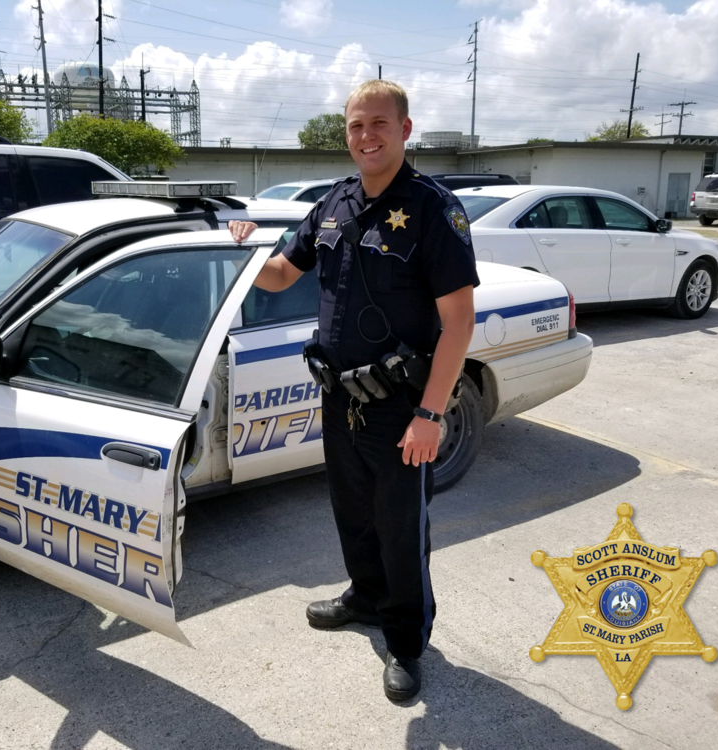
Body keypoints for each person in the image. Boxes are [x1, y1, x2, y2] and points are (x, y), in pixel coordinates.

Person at [228, 80, 479, 701]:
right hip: (339, 396)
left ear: (404, 129)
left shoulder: (431, 209)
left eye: (377, 125)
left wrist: (431, 413)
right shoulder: (333, 203)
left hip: (401, 406)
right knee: (353, 515)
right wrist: (244, 248)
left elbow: (460, 322)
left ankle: (405, 640)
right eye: (354, 127)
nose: (365, 136)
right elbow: (284, 274)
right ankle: (365, 597)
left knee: (400, 527)